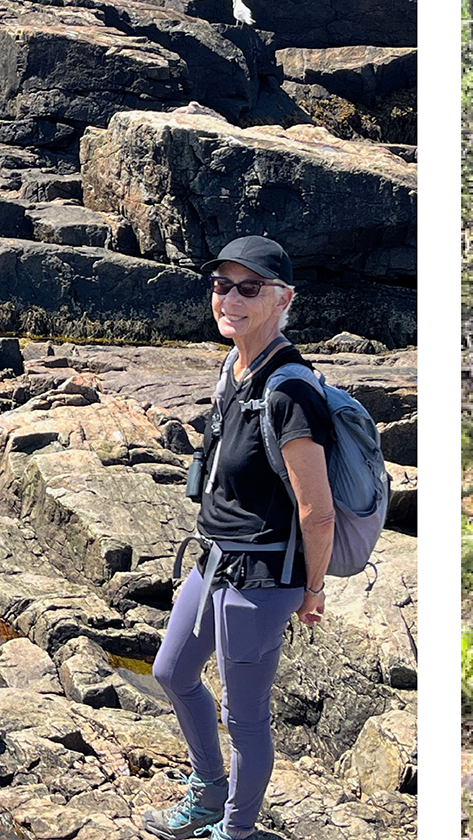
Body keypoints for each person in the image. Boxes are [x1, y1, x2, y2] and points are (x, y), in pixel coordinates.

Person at [144, 235, 337, 840]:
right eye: (222, 285)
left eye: (249, 288)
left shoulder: (292, 392)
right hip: (213, 562)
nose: (230, 299)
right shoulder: (233, 367)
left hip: (262, 579)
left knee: (245, 718)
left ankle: (236, 830)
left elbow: (318, 512)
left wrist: (312, 590)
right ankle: (208, 792)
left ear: (283, 299)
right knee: (172, 673)